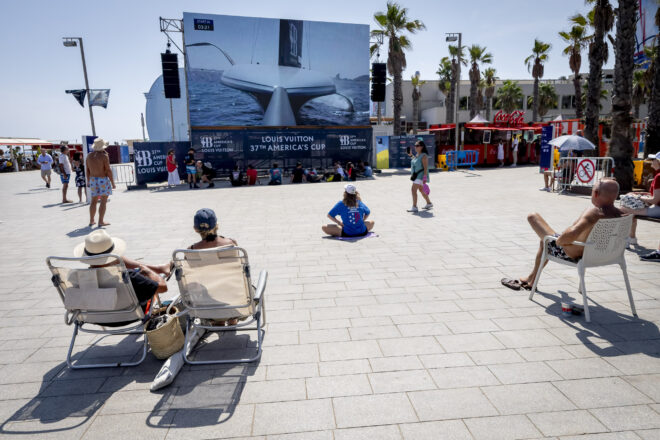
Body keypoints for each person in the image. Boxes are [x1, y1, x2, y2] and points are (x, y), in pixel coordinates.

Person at [501, 178, 624, 290]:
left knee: (533, 218)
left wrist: (559, 240)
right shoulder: (622, 214)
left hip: (573, 255)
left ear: (596, 193)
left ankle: (532, 280)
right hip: (604, 255)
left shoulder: (594, 213)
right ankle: (531, 278)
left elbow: (566, 238)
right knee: (545, 241)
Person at [74, 229, 169, 323]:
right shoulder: (128, 277)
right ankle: (159, 269)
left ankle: (160, 268)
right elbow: (163, 287)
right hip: (130, 316)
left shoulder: (78, 278)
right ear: (112, 256)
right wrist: (149, 272)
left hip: (94, 318)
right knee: (147, 285)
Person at [189, 208, 239, 326]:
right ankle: (232, 319)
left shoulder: (191, 251)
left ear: (195, 229)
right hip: (236, 298)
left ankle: (218, 320)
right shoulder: (231, 244)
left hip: (208, 302)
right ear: (217, 225)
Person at [621, 153, 660, 245]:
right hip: (657, 207)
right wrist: (640, 194)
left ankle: (627, 239)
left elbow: (655, 200)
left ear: (658, 162)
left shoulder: (659, 177)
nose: (651, 161)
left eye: (653, 159)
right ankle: (631, 238)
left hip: (658, 208)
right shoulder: (657, 175)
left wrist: (638, 197)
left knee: (625, 209)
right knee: (633, 209)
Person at [86, 138, 116, 227]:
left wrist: (88, 181)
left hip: (93, 179)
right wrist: (113, 182)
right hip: (102, 179)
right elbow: (108, 170)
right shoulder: (104, 156)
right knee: (103, 201)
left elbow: (87, 170)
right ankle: (101, 221)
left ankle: (91, 220)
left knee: (93, 201)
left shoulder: (89, 156)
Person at [406, 140, 433, 213]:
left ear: (422, 147)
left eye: (417, 145)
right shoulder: (417, 155)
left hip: (420, 176)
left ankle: (414, 207)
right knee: (421, 190)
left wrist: (425, 177)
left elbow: (425, 168)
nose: (415, 147)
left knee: (413, 189)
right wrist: (411, 155)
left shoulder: (424, 156)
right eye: (415, 145)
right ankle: (429, 203)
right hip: (417, 175)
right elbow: (415, 161)